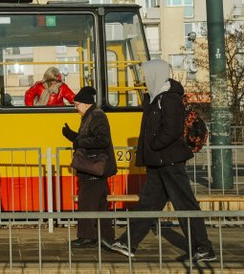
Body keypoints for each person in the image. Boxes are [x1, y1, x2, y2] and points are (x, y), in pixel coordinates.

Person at [108, 59, 217, 263]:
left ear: (155, 74)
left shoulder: (168, 99)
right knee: (148, 204)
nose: (143, 79)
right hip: (158, 162)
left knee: (184, 204)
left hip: (170, 161)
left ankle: (203, 247)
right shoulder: (154, 97)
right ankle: (127, 242)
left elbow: (172, 130)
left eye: (146, 74)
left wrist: (155, 145)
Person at [61, 86, 116, 248]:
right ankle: (106, 237)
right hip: (94, 169)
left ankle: (87, 236)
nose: (75, 108)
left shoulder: (96, 116)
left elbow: (102, 140)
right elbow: (89, 138)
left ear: (85, 103)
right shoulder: (91, 115)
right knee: (99, 205)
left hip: (93, 168)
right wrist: (72, 135)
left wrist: (78, 141)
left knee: (86, 202)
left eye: (77, 104)